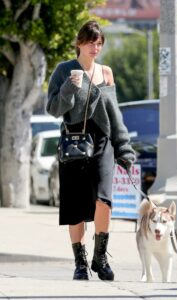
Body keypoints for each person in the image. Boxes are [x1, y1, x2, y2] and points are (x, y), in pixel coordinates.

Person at [47, 20, 136, 281]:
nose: (95, 47)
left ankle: (100, 258)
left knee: (104, 200)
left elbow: (114, 113)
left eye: (98, 43)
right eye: (90, 42)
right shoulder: (64, 70)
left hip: (102, 142)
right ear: (79, 43)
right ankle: (80, 263)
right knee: (75, 205)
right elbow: (53, 109)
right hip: (74, 142)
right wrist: (69, 87)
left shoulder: (106, 73)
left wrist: (124, 148)